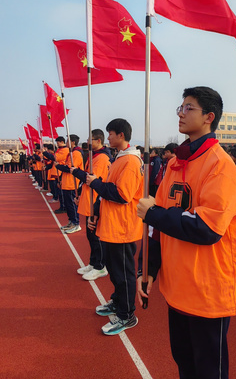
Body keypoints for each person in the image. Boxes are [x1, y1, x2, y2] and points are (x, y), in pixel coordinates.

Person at [136, 87, 236, 379]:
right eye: (181, 107)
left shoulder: (220, 166)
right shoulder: (176, 164)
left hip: (207, 288)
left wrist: (154, 214)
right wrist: (147, 268)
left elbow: (207, 228)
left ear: (209, 117)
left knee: (209, 369)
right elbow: (157, 227)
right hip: (178, 285)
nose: (181, 113)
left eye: (189, 108)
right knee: (184, 362)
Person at [86, 118, 144, 336]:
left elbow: (122, 195)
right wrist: (97, 213)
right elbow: (109, 190)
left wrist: (95, 183)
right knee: (115, 270)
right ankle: (118, 301)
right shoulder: (120, 158)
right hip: (112, 225)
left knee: (124, 273)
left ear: (121, 135)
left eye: (110, 134)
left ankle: (126, 314)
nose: (107, 137)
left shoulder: (130, 161)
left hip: (123, 227)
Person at [71, 129, 112, 281]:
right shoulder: (93, 156)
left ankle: (100, 266)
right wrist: (80, 194)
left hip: (95, 200)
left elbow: (94, 179)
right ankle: (93, 262)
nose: (88, 142)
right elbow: (86, 179)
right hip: (88, 198)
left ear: (98, 141)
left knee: (95, 235)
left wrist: (76, 172)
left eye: (90, 139)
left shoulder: (102, 158)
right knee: (90, 235)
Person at [55, 135, 84, 234]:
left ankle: (76, 224)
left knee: (72, 205)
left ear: (73, 142)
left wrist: (58, 166)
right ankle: (71, 221)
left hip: (72, 183)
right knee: (68, 205)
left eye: (68, 141)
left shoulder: (75, 154)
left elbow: (71, 169)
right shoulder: (71, 153)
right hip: (67, 183)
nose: (66, 143)